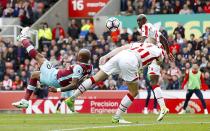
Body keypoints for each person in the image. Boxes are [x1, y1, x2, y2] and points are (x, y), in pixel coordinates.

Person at [61, 39, 165, 123]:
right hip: (131, 60)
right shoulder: (159, 50)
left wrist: (106, 56)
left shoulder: (139, 44)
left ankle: (72, 98)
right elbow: (159, 62)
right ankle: (117, 117)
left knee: (95, 78)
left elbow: (120, 48)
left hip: (121, 55)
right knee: (134, 92)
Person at [12, 27, 93, 108]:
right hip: (55, 76)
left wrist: (57, 90)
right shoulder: (90, 68)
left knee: (38, 57)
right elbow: (82, 82)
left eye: (78, 54)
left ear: (81, 58)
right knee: (35, 75)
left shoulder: (79, 67)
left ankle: (23, 38)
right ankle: (25, 101)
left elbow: (74, 85)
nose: (77, 55)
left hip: (54, 78)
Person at [137, 14, 173, 121]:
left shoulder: (145, 26)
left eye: (140, 20)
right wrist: (168, 52)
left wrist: (136, 46)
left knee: (136, 51)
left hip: (153, 51)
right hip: (159, 54)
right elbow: (164, 40)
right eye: (137, 21)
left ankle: (138, 67)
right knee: (154, 82)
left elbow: (143, 41)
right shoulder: (155, 29)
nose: (139, 23)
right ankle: (163, 107)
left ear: (144, 20)